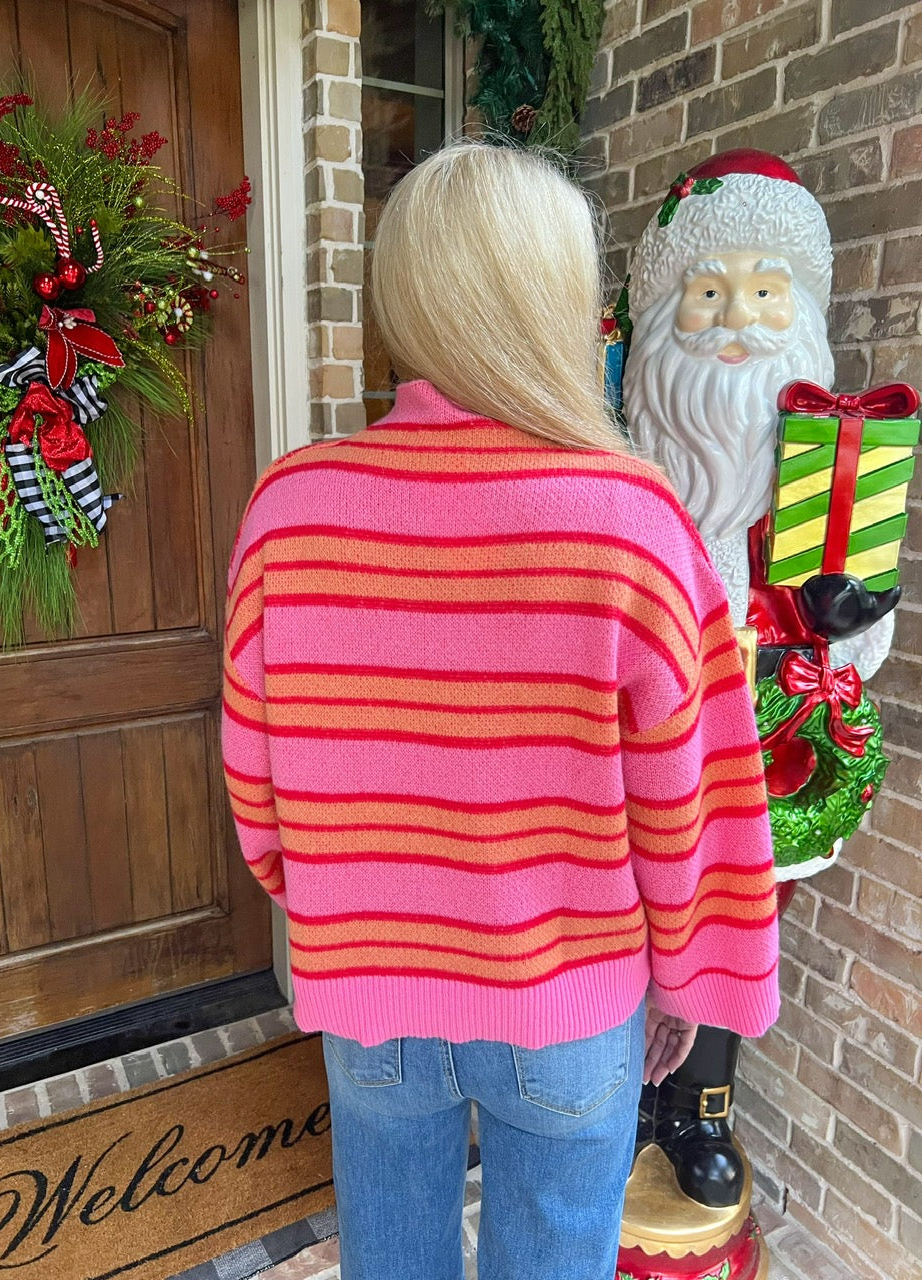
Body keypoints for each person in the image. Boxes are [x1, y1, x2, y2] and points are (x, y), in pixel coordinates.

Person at [222, 141, 780, 1280]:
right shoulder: (629, 519)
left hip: (369, 991)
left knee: (391, 1259)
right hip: (566, 1002)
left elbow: (259, 786)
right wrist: (687, 976)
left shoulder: (291, 509)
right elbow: (699, 799)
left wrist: (339, 900)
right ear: (556, 301)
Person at [622, 149, 899, 1209]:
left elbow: (854, 647)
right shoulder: (627, 473)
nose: (733, 319)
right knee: (629, 923)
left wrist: (851, 618)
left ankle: (698, 1112)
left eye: (764, 291)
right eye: (706, 292)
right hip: (637, 759)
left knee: (733, 927)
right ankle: (620, 1100)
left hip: (758, 758)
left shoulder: (822, 477)